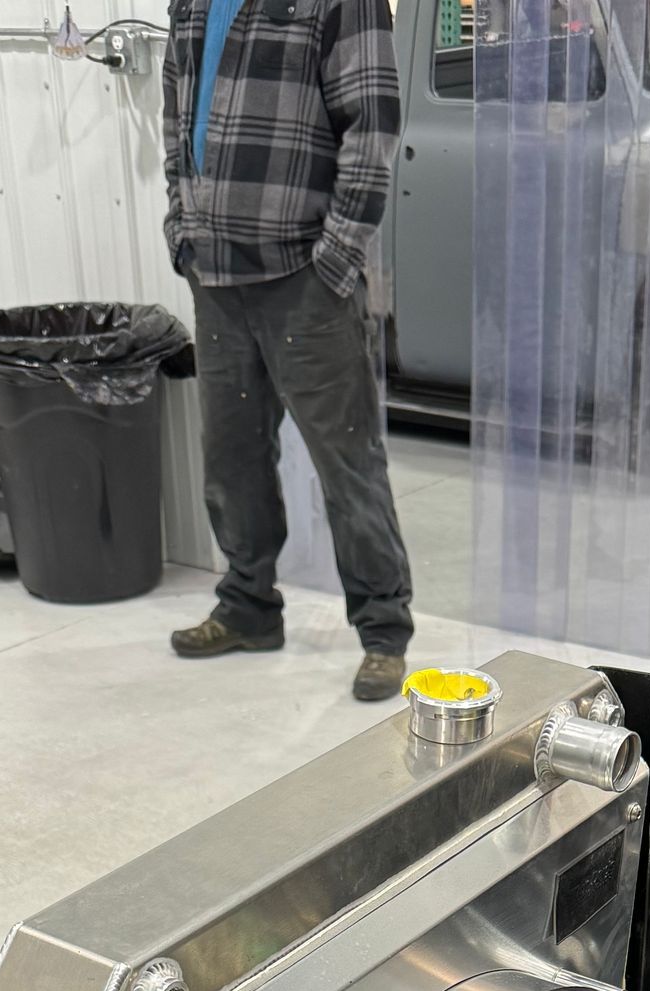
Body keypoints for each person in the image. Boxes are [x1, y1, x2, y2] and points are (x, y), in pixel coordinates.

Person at [162, 0, 414, 700]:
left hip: (304, 278)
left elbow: (374, 123)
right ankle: (247, 606)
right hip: (215, 274)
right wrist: (181, 226)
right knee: (230, 457)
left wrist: (335, 259)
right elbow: (175, 111)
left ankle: (383, 631)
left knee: (347, 462)